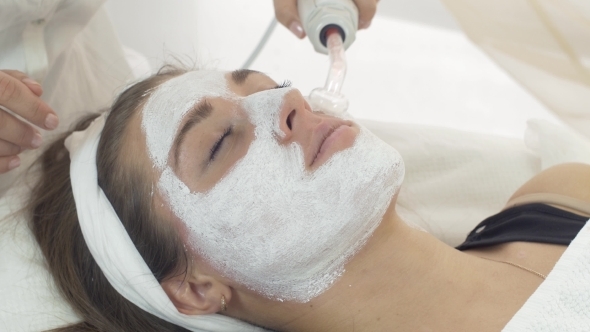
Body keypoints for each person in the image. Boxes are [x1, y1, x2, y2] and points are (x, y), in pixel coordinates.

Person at [27, 66, 590, 332]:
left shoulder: (562, 194)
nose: (287, 102)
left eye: (270, 86)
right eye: (220, 141)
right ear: (197, 288)